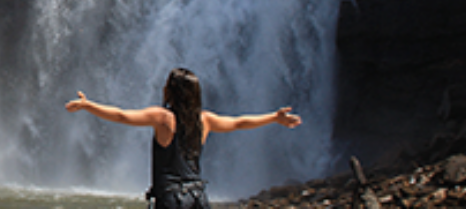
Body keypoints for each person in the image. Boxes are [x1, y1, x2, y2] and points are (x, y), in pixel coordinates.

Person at [65, 67, 302, 209]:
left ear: (170, 91)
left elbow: (121, 116)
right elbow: (239, 122)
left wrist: (88, 105)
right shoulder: (204, 120)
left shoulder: (162, 118)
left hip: (171, 199)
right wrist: (274, 117)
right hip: (198, 198)